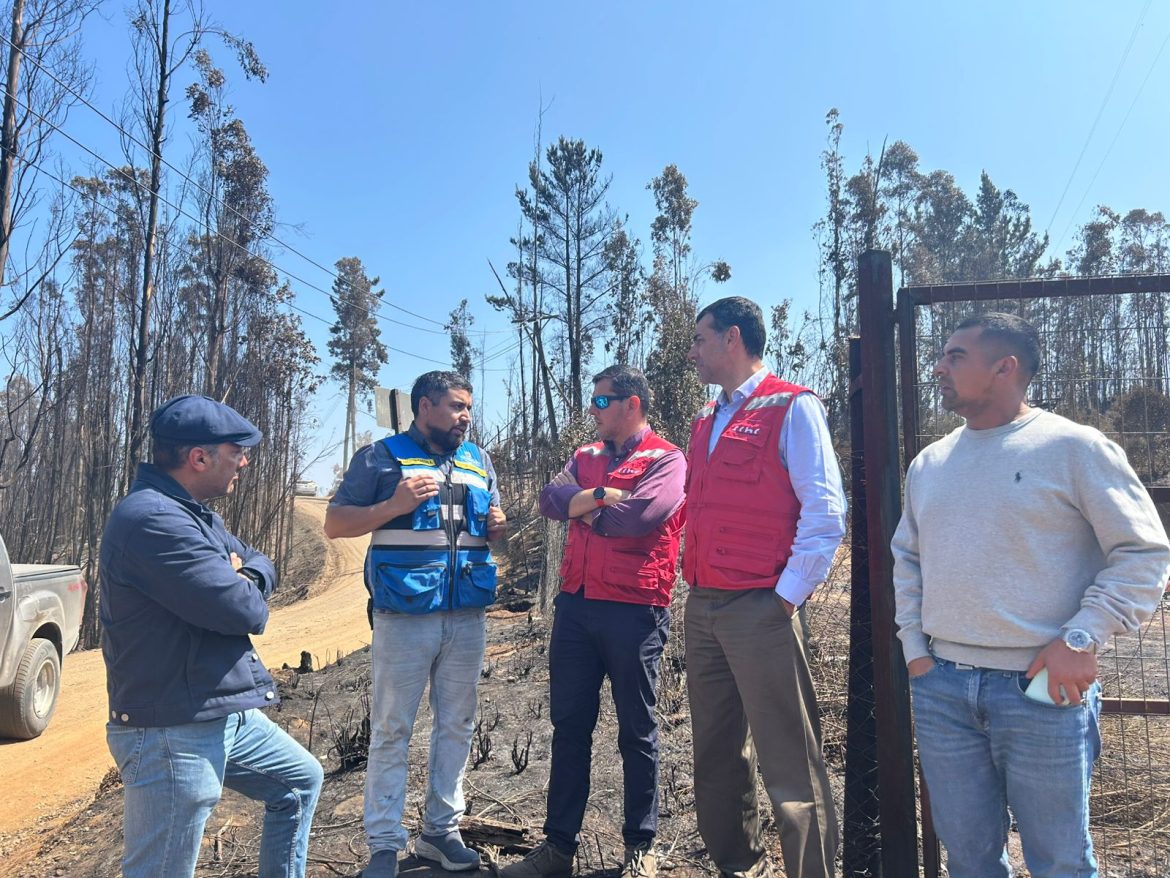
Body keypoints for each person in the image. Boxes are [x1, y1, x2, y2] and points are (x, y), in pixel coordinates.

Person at [892, 312, 1170, 878]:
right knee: (969, 860)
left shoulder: (1075, 448)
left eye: (955, 356)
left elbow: (1144, 554)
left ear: (1005, 368)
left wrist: (1082, 637)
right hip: (942, 688)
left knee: (1059, 862)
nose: (938, 368)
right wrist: (916, 651)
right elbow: (908, 560)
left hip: (1042, 690)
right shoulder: (930, 463)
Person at [101, 395, 323, 878]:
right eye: (236, 452)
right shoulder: (153, 519)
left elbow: (259, 562)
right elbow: (244, 610)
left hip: (216, 709)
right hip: (171, 727)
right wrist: (239, 580)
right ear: (199, 457)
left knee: (299, 781)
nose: (245, 462)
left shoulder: (193, 514)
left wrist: (246, 573)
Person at [502, 366, 686, 878]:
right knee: (569, 728)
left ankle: (640, 848)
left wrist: (580, 505)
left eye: (602, 401)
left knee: (637, 732)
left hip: (635, 610)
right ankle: (558, 848)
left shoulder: (667, 459)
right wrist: (603, 495)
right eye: (593, 401)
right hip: (576, 606)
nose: (592, 410)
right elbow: (549, 500)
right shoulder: (585, 455)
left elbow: (639, 519)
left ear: (632, 404)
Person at [683, 296, 845, 878]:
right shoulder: (706, 419)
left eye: (699, 339)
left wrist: (784, 597)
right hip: (703, 606)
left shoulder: (793, 407)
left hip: (761, 607)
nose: (692, 352)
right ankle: (738, 864)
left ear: (732, 339)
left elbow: (825, 512)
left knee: (789, 759)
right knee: (717, 752)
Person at [324, 371, 506, 878]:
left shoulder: (479, 460)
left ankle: (440, 833)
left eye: (468, 407)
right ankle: (384, 845)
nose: (465, 416)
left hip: (467, 615)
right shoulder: (379, 458)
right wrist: (393, 506)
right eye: (455, 406)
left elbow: (491, 528)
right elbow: (335, 524)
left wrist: (498, 527)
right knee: (391, 729)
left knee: (458, 725)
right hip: (403, 616)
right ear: (425, 406)